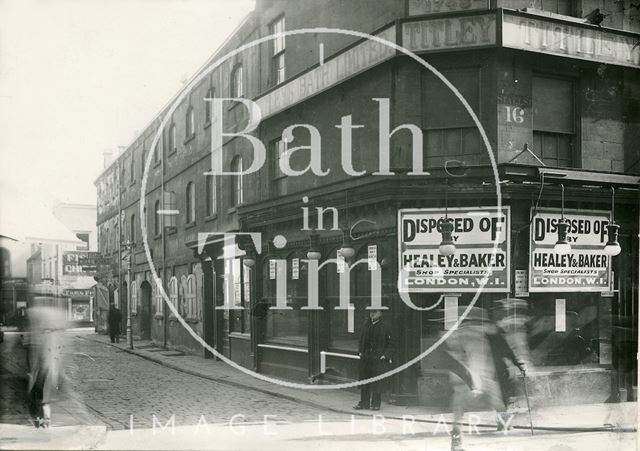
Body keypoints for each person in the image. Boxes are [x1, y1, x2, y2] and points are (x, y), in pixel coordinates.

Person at [444, 306, 527, 451]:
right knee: (496, 401)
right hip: (479, 376)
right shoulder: (483, 332)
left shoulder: (458, 335)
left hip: (468, 378)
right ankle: (503, 423)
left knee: (460, 410)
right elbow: (502, 343)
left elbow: (454, 356)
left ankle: (456, 441)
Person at [353, 309, 393, 411]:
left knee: (376, 382)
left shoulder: (385, 326)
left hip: (378, 358)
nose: (372, 314)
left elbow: (391, 343)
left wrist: (385, 355)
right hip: (366, 357)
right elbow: (361, 339)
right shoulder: (366, 325)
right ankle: (364, 403)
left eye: (375, 312)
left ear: (380, 313)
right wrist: (360, 351)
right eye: (371, 312)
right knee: (365, 380)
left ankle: (375, 404)